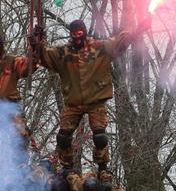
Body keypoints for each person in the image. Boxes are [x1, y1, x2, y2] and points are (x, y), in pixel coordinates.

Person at [30, 18, 145, 177]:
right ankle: (67, 166)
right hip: (73, 103)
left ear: (84, 32)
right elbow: (45, 57)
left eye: (80, 32)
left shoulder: (100, 48)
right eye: (74, 33)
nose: (77, 36)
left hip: (95, 101)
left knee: (100, 136)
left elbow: (120, 42)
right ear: (70, 35)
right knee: (63, 137)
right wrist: (37, 43)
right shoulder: (64, 53)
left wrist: (139, 27)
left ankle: (103, 167)